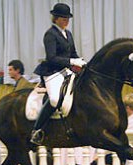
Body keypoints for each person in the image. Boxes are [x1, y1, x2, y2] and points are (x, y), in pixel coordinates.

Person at [31, 3, 86, 145]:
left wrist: (80, 61)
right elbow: (52, 58)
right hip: (52, 71)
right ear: (55, 18)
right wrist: (71, 61)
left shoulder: (68, 34)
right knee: (55, 99)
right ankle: (36, 130)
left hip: (66, 69)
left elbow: (73, 53)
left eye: (67, 18)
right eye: (63, 18)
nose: (66, 20)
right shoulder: (50, 34)